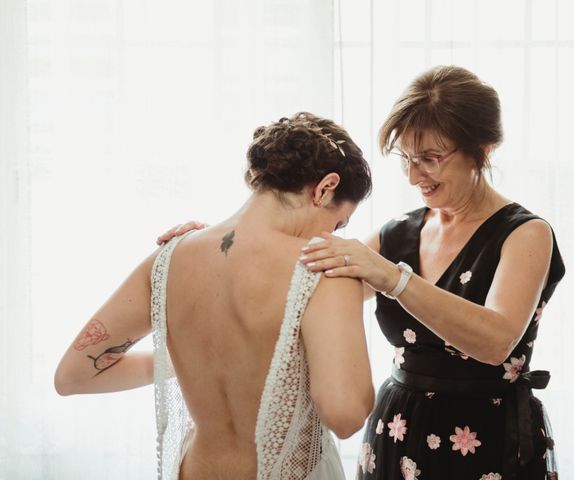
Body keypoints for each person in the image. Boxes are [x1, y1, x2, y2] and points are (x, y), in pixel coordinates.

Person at [163, 66, 565, 480]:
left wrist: (395, 280)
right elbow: (295, 288)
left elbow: (496, 340)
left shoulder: (525, 233)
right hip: (398, 430)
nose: (413, 176)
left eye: (430, 159)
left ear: (483, 149)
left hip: (488, 437)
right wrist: (211, 245)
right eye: (406, 159)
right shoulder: (398, 233)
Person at [55, 112, 375, 480]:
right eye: (338, 223)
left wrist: (188, 357)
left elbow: (72, 376)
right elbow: (346, 415)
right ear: (325, 188)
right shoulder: (327, 267)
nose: (332, 235)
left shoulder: (168, 258)